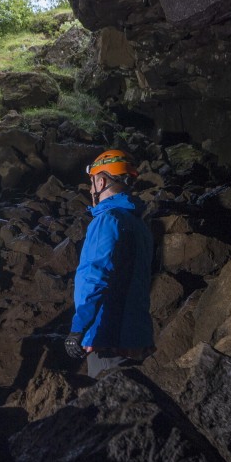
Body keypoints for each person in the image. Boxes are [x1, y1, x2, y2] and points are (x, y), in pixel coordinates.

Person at [65, 149, 154, 379]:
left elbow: (95, 276)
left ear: (102, 180)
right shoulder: (139, 225)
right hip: (136, 336)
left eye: (93, 182)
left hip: (108, 336)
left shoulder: (107, 220)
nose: (91, 189)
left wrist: (79, 328)